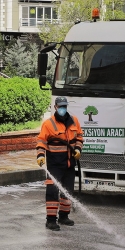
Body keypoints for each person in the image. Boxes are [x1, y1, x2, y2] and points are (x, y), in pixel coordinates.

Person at [36, 97, 83, 231]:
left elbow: (79, 137)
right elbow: (41, 141)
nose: (63, 109)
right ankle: (51, 220)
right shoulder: (48, 124)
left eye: (65, 106)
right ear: (55, 107)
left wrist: (78, 149)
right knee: (52, 191)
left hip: (69, 164)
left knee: (67, 191)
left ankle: (63, 217)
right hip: (55, 165)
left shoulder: (74, 121)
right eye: (60, 106)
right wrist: (40, 156)